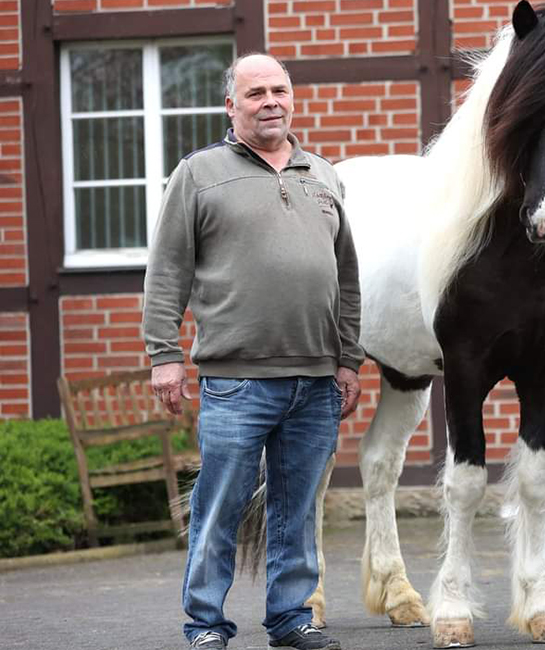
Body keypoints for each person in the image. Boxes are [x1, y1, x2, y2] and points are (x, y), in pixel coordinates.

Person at [142, 53, 364, 650]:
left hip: (316, 379)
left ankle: (292, 618)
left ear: (293, 98)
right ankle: (205, 624)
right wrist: (164, 354)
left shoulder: (323, 173)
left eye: (280, 90)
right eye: (257, 92)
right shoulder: (199, 173)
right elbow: (166, 271)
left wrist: (349, 358)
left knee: (297, 511)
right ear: (231, 106)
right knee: (220, 507)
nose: (271, 101)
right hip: (237, 380)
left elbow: (346, 278)